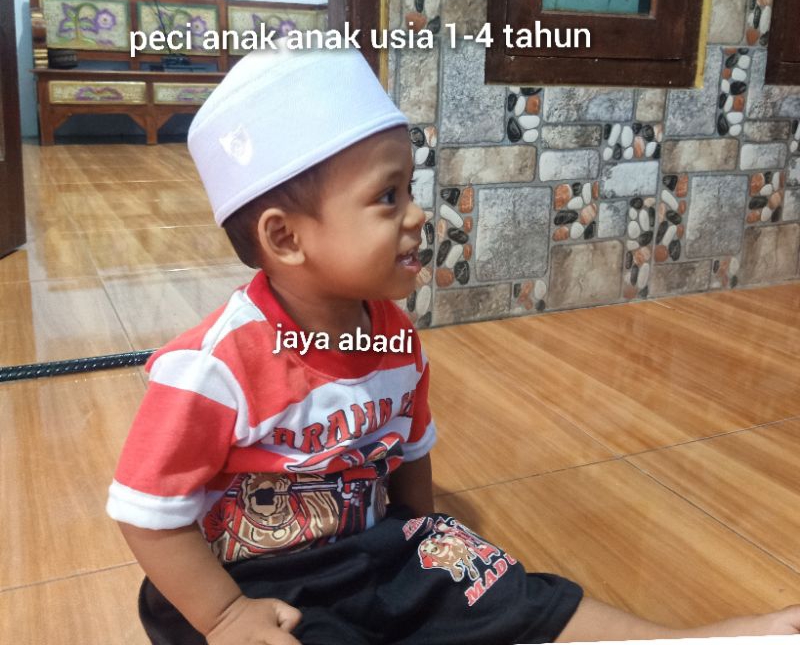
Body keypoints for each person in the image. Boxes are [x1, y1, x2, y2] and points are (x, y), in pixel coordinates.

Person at [108, 43, 800, 645]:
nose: (418, 214)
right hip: (250, 582)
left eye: (409, 187)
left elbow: (410, 450)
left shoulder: (395, 338)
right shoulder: (212, 369)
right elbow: (147, 513)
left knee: (513, 591)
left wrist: (428, 542)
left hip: (370, 551)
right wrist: (226, 615)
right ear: (285, 237)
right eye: (388, 197)